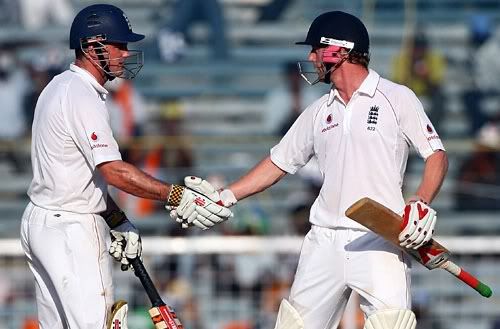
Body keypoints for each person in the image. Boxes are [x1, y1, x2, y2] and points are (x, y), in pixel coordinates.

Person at [170, 11, 448, 329]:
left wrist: (422, 200)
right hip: (324, 239)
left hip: (379, 236)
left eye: (316, 48)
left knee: (392, 324)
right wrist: (227, 196)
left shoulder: (396, 98)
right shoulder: (319, 111)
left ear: (338, 50)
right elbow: (278, 163)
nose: (310, 56)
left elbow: (436, 154)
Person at [20, 4, 232, 329]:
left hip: (41, 222)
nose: (125, 52)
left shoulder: (59, 86)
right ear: (93, 47)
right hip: (72, 230)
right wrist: (177, 194)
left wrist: (117, 220)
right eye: (119, 44)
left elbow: (77, 177)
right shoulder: (82, 94)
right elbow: (113, 171)